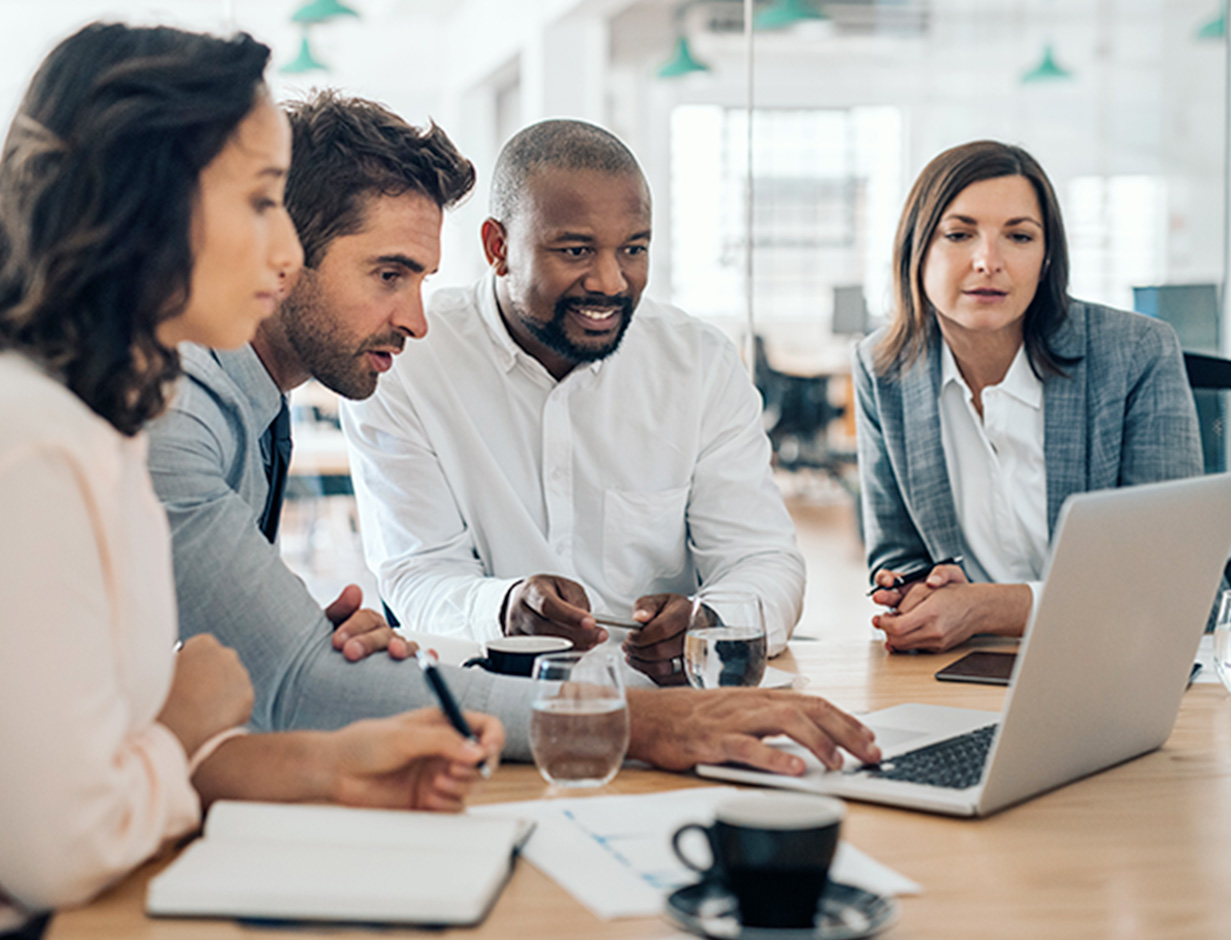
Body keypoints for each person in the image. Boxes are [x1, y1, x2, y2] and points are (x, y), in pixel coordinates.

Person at [145, 96, 878, 771]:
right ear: (277, 250)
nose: (415, 320)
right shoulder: (178, 411)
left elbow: (266, 671)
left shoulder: (249, 403)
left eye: (633, 249)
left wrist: (317, 645)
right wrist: (636, 722)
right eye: (389, 275)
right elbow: (304, 680)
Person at [0, 25, 504, 938]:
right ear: (147, 204)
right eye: (262, 201)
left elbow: (95, 750)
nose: (286, 251)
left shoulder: (100, 424)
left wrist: (332, 765)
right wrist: (184, 721)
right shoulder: (37, 439)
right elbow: (55, 846)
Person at [341, 118, 806, 687]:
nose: (611, 281)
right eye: (576, 250)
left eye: (633, 248)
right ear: (498, 248)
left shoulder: (699, 364)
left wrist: (710, 623)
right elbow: (417, 574)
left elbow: (764, 562)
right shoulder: (411, 358)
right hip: (494, 705)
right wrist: (504, 607)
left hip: (670, 708)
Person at [854, 140, 1202, 654]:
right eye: (959, 234)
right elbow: (899, 554)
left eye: (1019, 236)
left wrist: (989, 606)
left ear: (1045, 259)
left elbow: (1169, 575)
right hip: (966, 663)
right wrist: (914, 591)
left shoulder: (1136, 353)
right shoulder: (883, 368)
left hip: (1120, 654)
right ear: (915, 250)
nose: (987, 261)